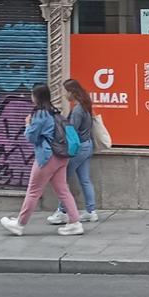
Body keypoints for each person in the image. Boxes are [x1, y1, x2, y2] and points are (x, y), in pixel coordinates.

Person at [0, 84, 84, 236]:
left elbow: (31, 137)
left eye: (32, 94)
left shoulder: (40, 115)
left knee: (33, 191)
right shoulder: (54, 112)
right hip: (61, 157)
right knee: (63, 190)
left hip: (47, 157)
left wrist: (27, 125)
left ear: (36, 97)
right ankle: (75, 223)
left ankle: (19, 224)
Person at [48, 78, 98, 224]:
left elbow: (72, 132)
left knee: (62, 179)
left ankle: (62, 211)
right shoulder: (84, 105)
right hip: (87, 145)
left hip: (79, 148)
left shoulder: (77, 110)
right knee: (85, 180)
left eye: (65, 91)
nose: (64, 94)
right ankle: (91, 211)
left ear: (72, 92)